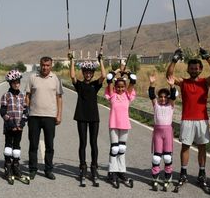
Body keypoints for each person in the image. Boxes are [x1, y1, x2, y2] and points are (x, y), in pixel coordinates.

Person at [166, 47, 210, 187]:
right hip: (187, 119)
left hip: (202, 119)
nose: (194, 70)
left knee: (202, 147)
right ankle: (183, 173)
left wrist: (207, 57)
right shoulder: (184, 82)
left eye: (196, 68)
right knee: (185, 146)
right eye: (192, 68)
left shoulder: (204, 82)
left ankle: (201, 173)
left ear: (200, 69)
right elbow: (169, 75)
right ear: (188, 69)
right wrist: (174, 59)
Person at [68, 52, 106, 184]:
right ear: (83, 73)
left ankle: (94, 167)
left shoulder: (95, 85)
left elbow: (104, 76)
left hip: (94, 117)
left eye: (90, 72)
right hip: (81, 116)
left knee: (93, 143)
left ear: (92, 73)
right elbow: (72, 76)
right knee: (83, 143)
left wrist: (100, 60)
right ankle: (83, 167)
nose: (88, 74)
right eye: (86, 72)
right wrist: (72, 60)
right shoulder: (79, 85)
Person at [25, 56, 63, 180]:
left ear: (51, 66)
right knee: (33, 145)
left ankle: (48, 170)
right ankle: (32, 169)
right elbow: (28, 95)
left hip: (50, 117)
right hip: (34, 116)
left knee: (50, 145)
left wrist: (59, 114)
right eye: (43, 65)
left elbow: (59, 98)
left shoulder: (55, 79)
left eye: (47, 65)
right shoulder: (32, 77)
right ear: (40, 65)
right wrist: (27, 111)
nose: (45, 67)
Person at [104, 71, 137, 186]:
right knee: (114, 149)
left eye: (123, 87)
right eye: (118, 87)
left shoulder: (127, 95)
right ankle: (112, 172)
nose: (120, 89)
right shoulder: (112, 94)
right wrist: (115, 72)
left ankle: (121, 172)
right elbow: (109, 80)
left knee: (122, 149)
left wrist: (128, 73)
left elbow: (133, 81)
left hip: (124, 125)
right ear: (115, 87)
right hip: (113, 124)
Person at [148, 73, 177, 189]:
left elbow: (174, 96)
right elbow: (151, 95)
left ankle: (167, 176)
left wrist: (172, 86)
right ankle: (155, 176)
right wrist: (152, 84)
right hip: (158, 133)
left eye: (165, 97)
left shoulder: (171, 105)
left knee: (167, 157)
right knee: (156, 157)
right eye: (161, 97)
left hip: (168, 132)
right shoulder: (156, 105)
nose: (163, 98)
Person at [0, 69, 29, 181]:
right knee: (8, 146)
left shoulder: (22, 96)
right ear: (10, 83)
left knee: (17, 147)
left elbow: (26, 111)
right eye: (14, 83)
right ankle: (7, 167)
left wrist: (22, 123)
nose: (16, 84)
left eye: (18, 82)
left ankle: (16, 166)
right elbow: (2, 112)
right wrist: (11, 123)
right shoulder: (6, 96)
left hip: (19, 126)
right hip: (9, 126)